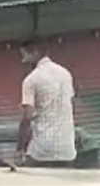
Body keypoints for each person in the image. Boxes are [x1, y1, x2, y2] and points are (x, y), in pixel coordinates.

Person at [16, 37, 77, 168]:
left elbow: (27, 116)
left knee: (25, 181)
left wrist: (19, 148)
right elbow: (71, 105)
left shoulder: (31, 80)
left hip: (43, 150)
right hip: (67, 149)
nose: (23, 60)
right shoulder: (66, 74)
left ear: (35, 53)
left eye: (24, 55)